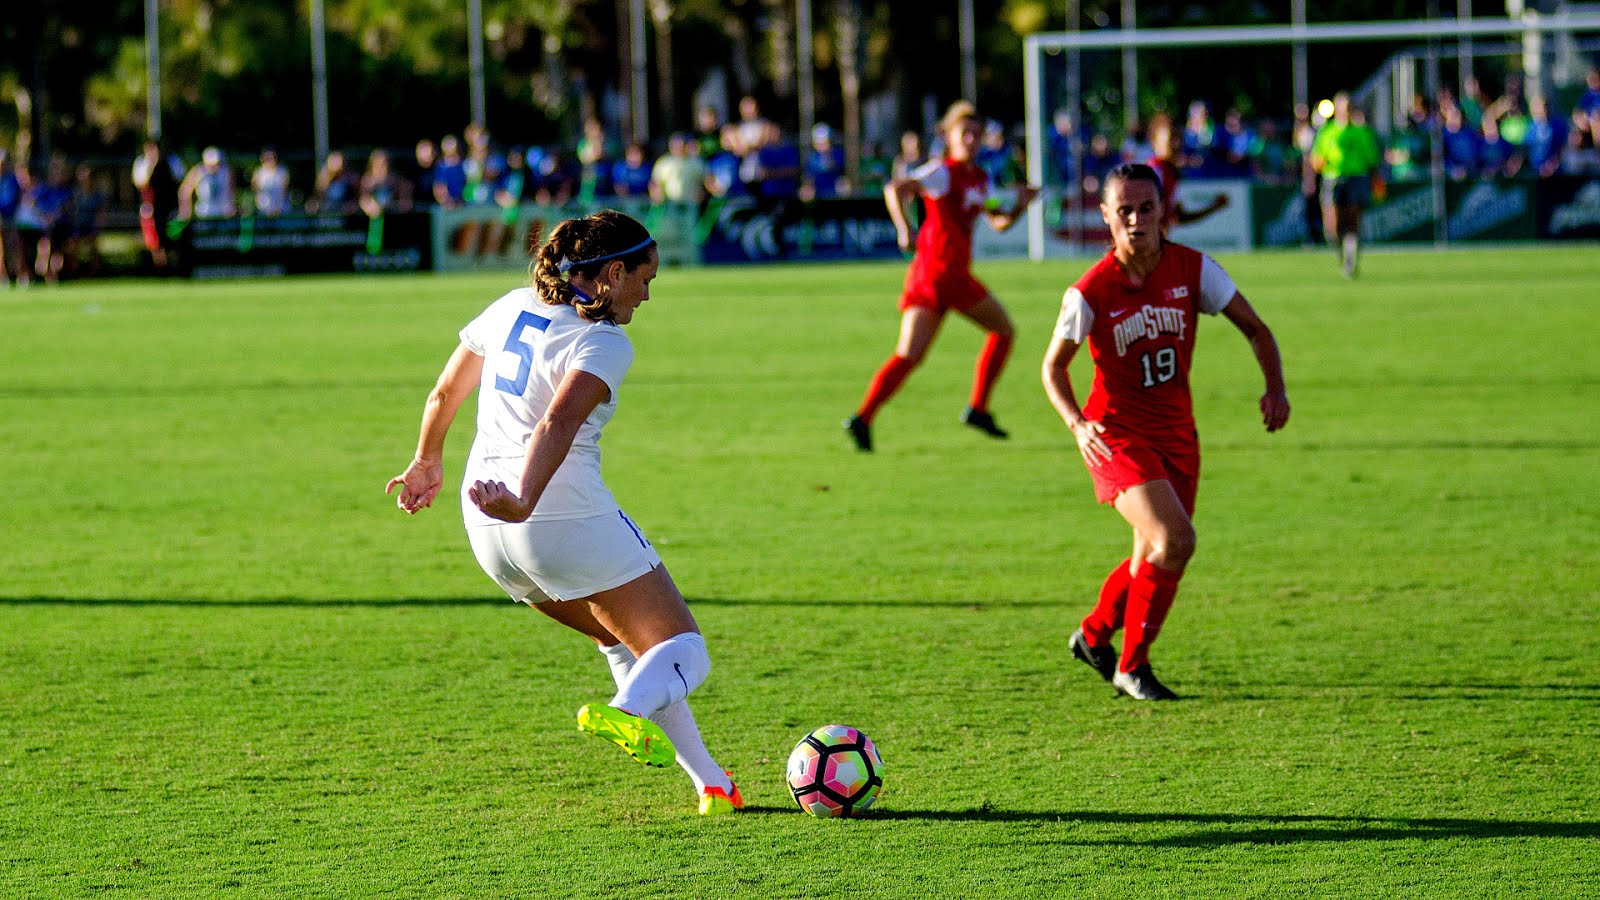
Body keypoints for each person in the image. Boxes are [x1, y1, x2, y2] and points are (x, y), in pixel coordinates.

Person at [384, 210, 742, 816]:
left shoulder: (509, 307)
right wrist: (525, 501)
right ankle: (627, 713)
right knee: (686, 650)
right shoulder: (602, 340)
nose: (649, 293)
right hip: (552, 515)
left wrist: (425, 462)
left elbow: (444, 393)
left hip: (485, 530)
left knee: (625, 643)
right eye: (644, 278)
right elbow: (557, 422)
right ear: (611, 272)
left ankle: (711, 782)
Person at [1042, 162, 1289, 701]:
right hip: (1115, 435)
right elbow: (1053, 367)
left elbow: (1256, 328)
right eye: (1123, 210)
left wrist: (1275, 388)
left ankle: (1092, 635)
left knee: (1151, 553)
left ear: (1162, 212)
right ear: (1105, 216)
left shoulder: (1193, 270)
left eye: (1145, 208)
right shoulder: (1090, 291)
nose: (1135, 220)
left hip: (1178, 436)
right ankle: (1132, 667)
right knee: (1175, 539)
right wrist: (1077, 423)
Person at [844, 101, 1040, 451]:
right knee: (992, 333)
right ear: (948, 137)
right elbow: (895, 190)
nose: (971, 140)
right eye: (964, 133)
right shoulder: (941, 172)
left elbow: (997, 221)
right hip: (936, 274)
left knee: (924, 351)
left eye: (976, 134)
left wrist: (1022, 204)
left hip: (954, 277)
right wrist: (905, 229)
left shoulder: (980, 178)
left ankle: (865, 418)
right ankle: (974, 408)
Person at [1310, 92, 1381, 278]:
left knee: (1353, 221)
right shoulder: (1327, 131)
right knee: (1332, 227)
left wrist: (1376, 182)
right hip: (1333, 178)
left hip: (1356, 178)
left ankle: (1351, 260)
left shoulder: (1361, 132)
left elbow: (1372, 160)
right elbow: (1317, 159)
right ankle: (1340, 251)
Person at [1147, 112, 1228, 235]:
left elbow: (1178, 218)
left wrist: (1213, 207)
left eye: (1179, 138)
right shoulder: (1155, 173)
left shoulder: (1170, 172)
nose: (1177, 144)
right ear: (1155, 142)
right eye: (1171, 138)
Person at [131, 139, 181, 270]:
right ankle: (160, 268)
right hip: (150, 207)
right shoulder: (142, 163)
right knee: (154, 240)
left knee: (171, 236)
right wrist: (151, 165)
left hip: (170, 206)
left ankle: (173, 265)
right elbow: (141, 183)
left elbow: (178, 180)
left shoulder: (171, 161)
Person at [177, 147, 236, 220]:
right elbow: (184, 192)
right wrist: (186, 211)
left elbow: (232, 190)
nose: (214, 167)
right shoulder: (198, 171)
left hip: (223, 213)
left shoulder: (227, 171)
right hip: (204, 213)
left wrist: (231, 206)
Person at [251, 148, 290, 216]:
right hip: (262, 210)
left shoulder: (283, 171)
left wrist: (277, 208)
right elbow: (255, 190)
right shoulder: (258, 172)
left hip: (280, 210)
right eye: (266, 158)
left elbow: (284, 190)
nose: (268, 160)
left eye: (271, 157)